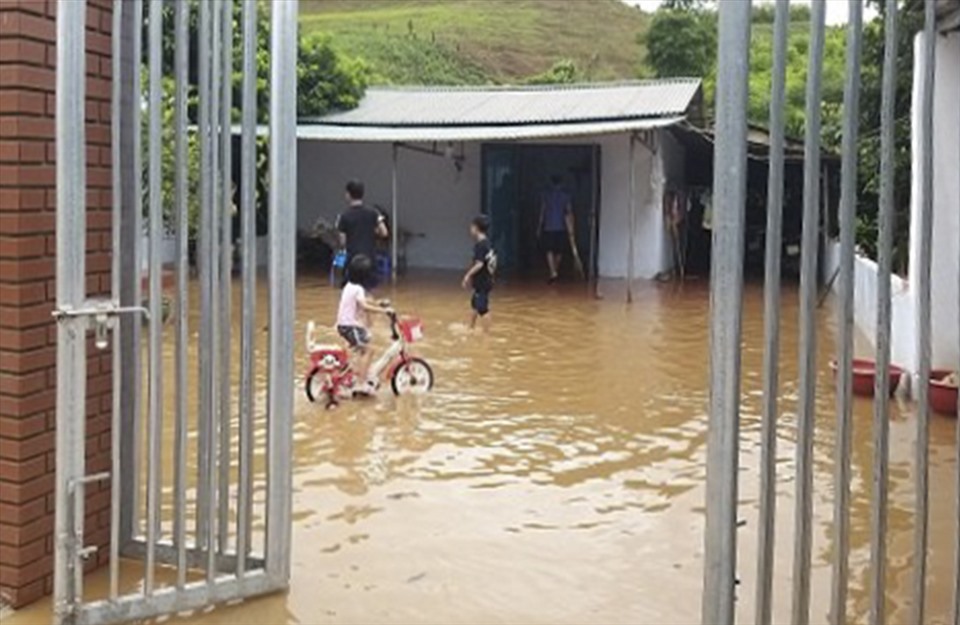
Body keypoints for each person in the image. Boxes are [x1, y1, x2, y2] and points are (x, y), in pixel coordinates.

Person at [336, 254, 393, 397]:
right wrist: (384, 311)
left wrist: (379, 303)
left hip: (345, 325)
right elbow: (364, 306)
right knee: (369, 350)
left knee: (365, 342)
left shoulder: (349, 286)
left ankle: (358, 374)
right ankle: (360, 384)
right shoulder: (358, 289)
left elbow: (364, 302)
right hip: (350, 326)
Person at [336, 180, 388, 286]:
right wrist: (372, 231)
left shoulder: (344, 216)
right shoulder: (373, 212)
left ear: (348, 195)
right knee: (368, 290)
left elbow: (342, 241)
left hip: (353, 259)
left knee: (352, 290)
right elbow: (384, 232)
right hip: (370, 258)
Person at [461, 215, 496, 330]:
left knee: (482, 308)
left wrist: (467, 275)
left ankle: (487, 333)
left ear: (476, 228)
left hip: (483, 281)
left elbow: (479, 264)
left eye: (471, 227)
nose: (470, 229)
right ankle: (470, 328)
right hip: (486, 280)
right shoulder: (487, 243)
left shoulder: (480, 245)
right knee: (475, 305)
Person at [538, 174, 573, 283]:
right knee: (559, 251)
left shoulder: (546, 196)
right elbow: (569, 212)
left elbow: (542, 212)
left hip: (549, 226)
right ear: (561, 183)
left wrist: (539, 226)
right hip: (561, 227)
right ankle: (554, 270)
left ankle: (553, 271)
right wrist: (571, 228)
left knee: (549, 250)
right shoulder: (565, 196)